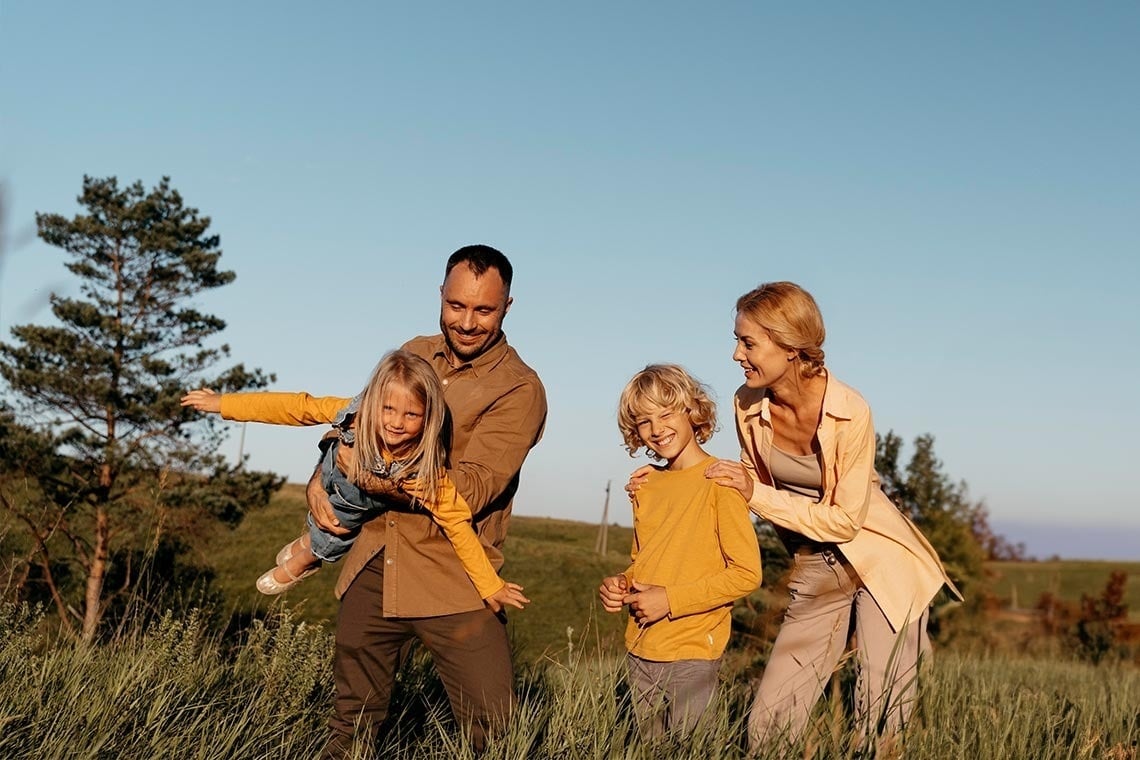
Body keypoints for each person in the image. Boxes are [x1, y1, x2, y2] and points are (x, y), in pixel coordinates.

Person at [695, 281, 962, 752]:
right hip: (817, 562)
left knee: (882, 722)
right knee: (770, 722)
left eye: (748, 341)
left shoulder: (850, 410)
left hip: (883, 561)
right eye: (737, 339)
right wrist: (670, 473)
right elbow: (745, 484)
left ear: (791, 346)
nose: (736, 353)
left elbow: (843, 520)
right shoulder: (746, 402)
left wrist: (755, 493)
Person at [304, 245, 545, 757]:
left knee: (494, 732)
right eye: (457, 305)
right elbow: (357, 424)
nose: (468, 322)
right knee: (349, 725)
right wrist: (320, 473)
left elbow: (473, 489)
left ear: (508, 307)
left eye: (485, 310)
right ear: (441, 295)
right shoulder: (412, 352)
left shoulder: (520, 389)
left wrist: (364, 476)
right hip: (375, 561)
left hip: (455, 575)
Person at [180, 350, 529, 616]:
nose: (395, 423)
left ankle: (311, 556)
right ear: (375, 402)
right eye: (388, 410)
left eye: (411, 415)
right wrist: (222, 403)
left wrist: (489, 585)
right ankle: (308, 538)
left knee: (337, 527)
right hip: (333, 470)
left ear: (428, 418)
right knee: (330, 490)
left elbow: (458, 526)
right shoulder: (356, 414)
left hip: (351, 506)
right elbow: (294, 407)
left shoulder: (424, 475)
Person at [599, 364, 761, 743]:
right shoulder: (646, 485)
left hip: (693, 650)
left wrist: (670, 600)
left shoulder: (720, 480)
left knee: (690, 749)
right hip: (641, 647)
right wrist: (622, 582)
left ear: (693, 412)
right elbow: (645, 559)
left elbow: (747, 574)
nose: (656, 429)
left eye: (667, 413)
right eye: (643, 421)